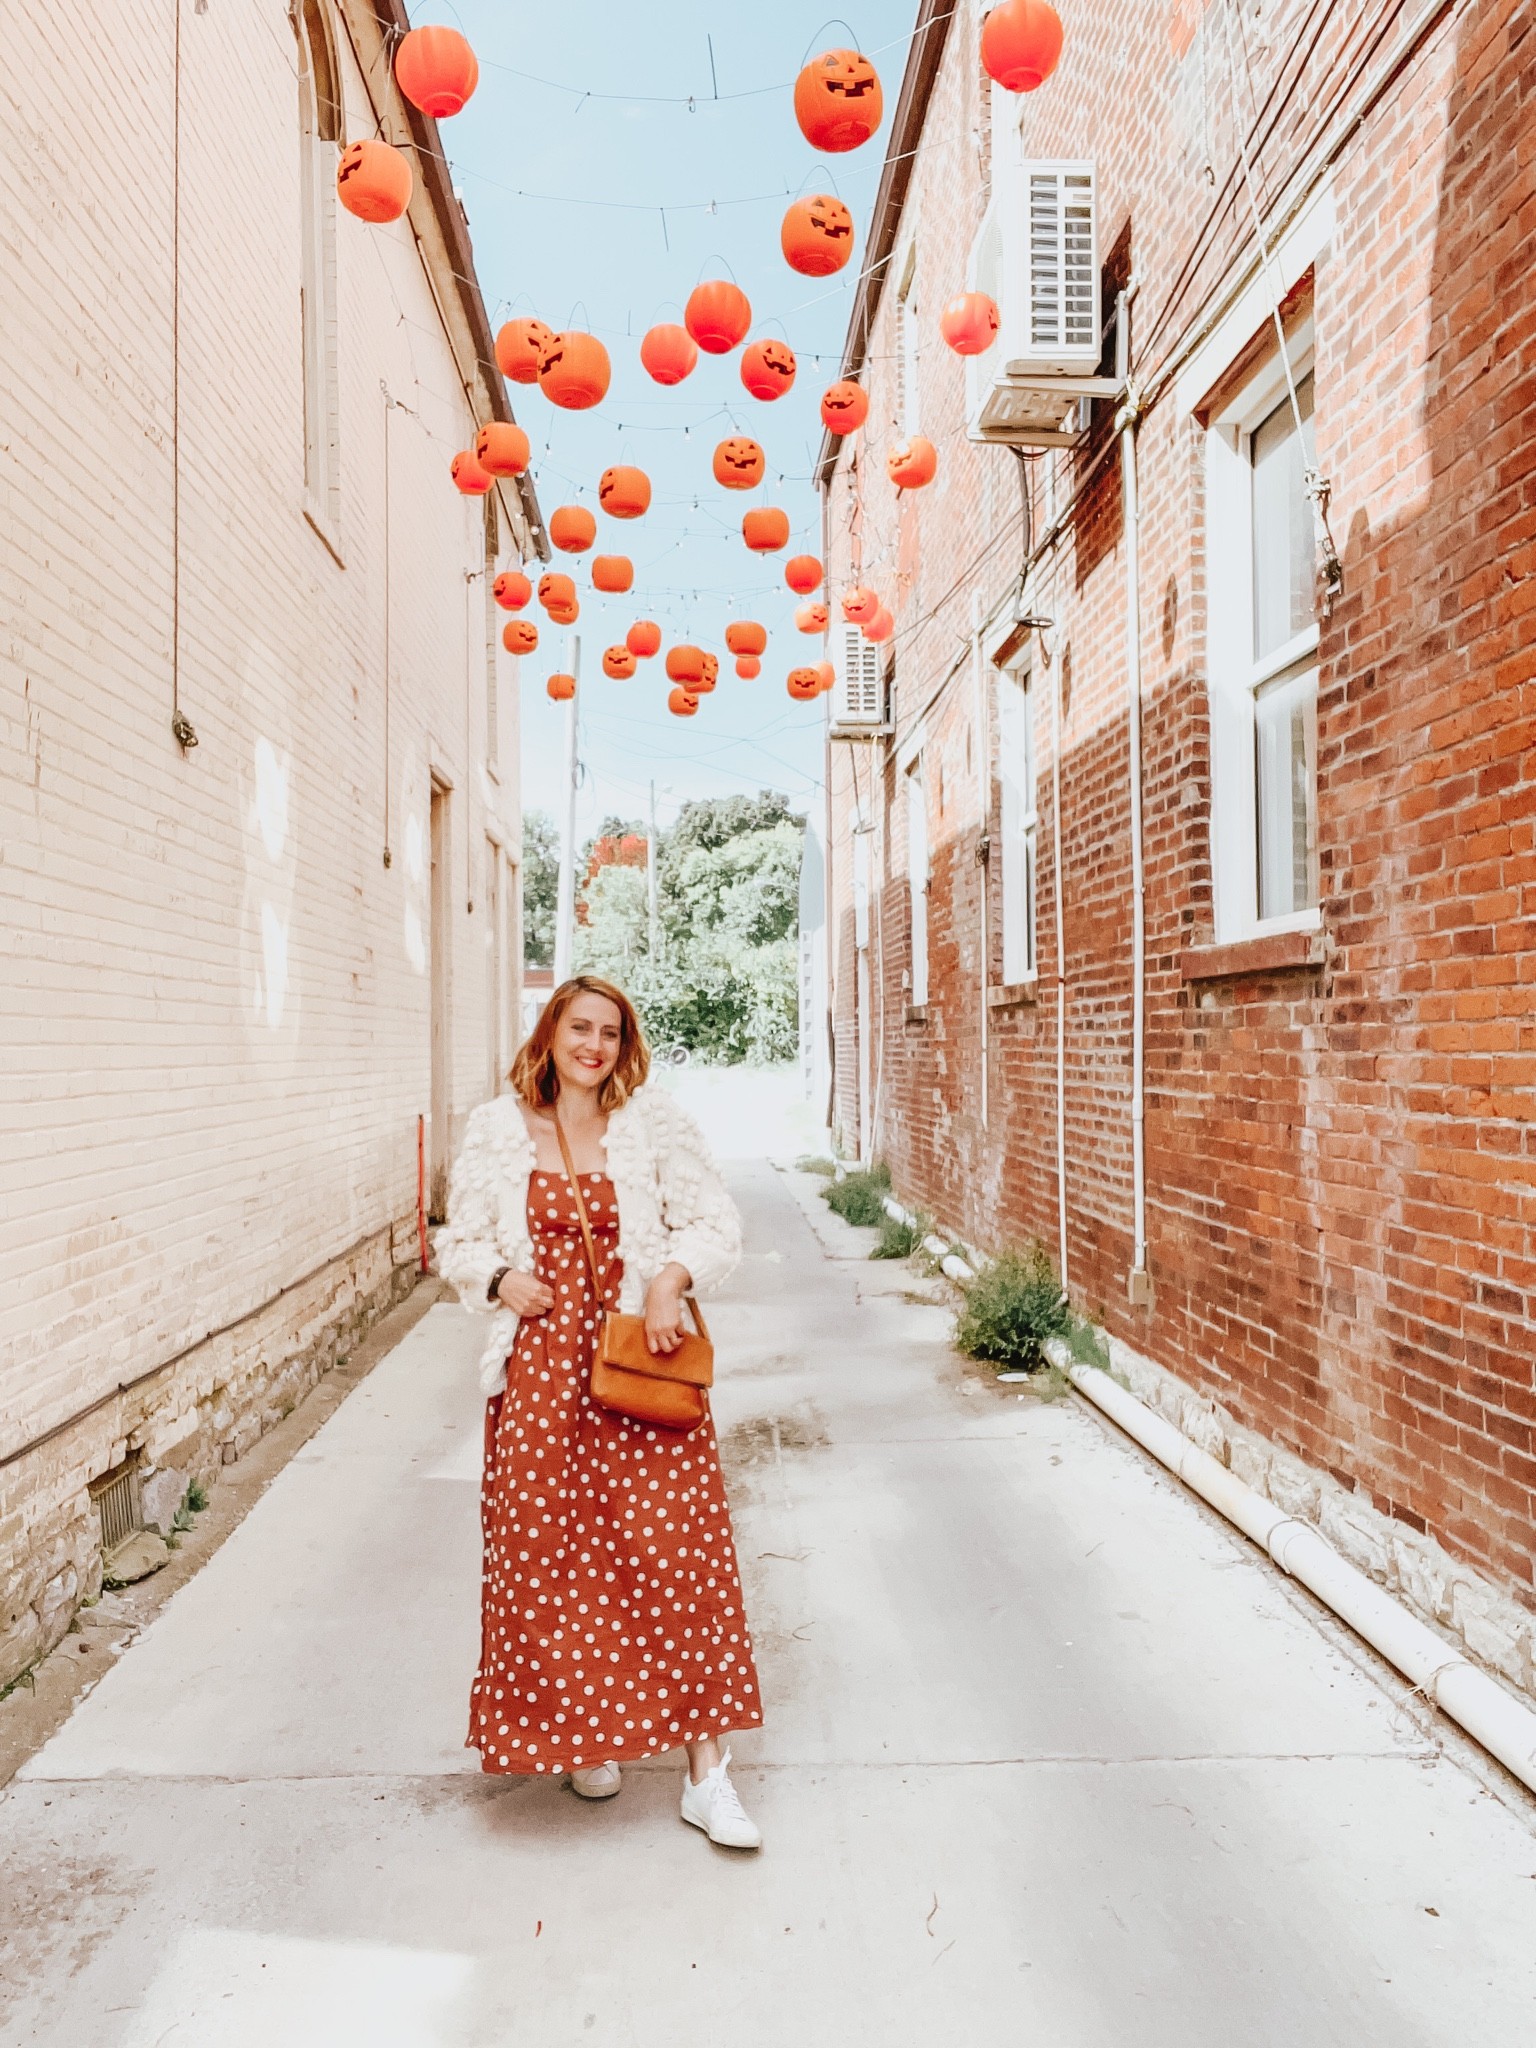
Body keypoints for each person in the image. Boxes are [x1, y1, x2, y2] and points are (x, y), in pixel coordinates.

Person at [436, 974, 764, 1849]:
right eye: (579, 1027)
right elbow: (459, 1241)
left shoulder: (654, 1124)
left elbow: (715, 1224)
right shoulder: (498, 1129)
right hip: (540, 1378)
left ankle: (708, 1777)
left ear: (626, 1046)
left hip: (639, 1365)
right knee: (549, 1559)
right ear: (549, 1032)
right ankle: (585, 1737)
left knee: (677, 1561)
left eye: (610, 1033)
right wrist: (500, 1279)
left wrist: (667, 1280)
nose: (594, 1045)